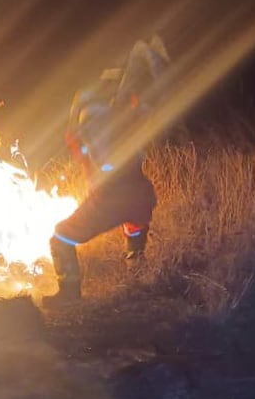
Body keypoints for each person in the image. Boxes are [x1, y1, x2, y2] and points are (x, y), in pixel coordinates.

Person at [44, 40, 168, 308]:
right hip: (142, 196)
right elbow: (146, 104)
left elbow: (83, 145)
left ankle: (69, 295)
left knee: (60, 237)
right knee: (133, 230)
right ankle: (137, 283)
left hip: (110, 198)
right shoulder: (132, 114)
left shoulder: (93, 119)